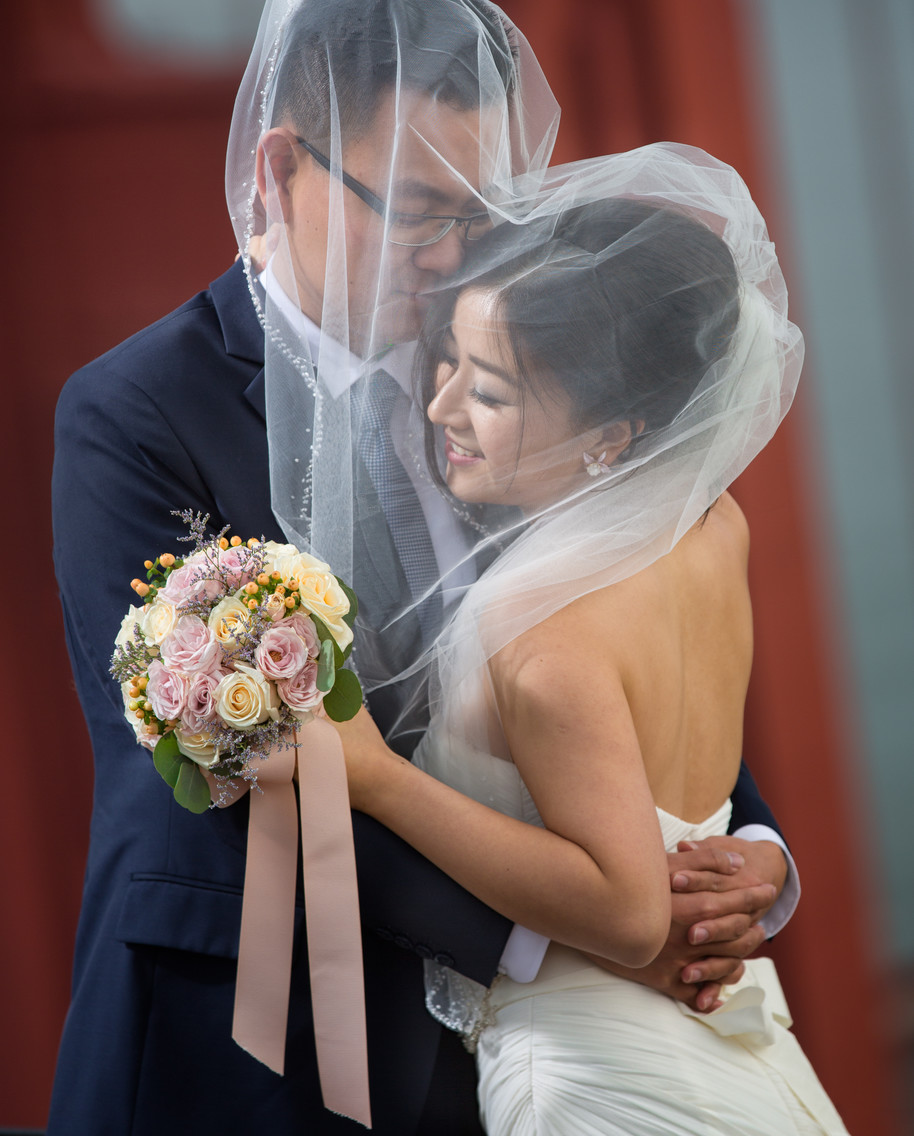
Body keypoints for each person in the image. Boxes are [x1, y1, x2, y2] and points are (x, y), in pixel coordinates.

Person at [51, 0, 793, 1136]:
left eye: (477, 211)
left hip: (524, 1045)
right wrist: (572, 940)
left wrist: (741, 849)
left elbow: (629, 622)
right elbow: (225, 786)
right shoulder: (135, 415)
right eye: (415, 208)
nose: (452, 256)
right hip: (251, 1045)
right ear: (280, 168)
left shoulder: (520, 367)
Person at [328, 145, 849, 1132]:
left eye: (489, 389)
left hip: (587, 1074)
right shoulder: (712, 523)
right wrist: (761, 855)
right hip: (737, 1046)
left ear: (612, 431)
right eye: (447, 361)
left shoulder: (543, 640)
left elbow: (622, 909)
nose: (439, 406)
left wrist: (378, 778)